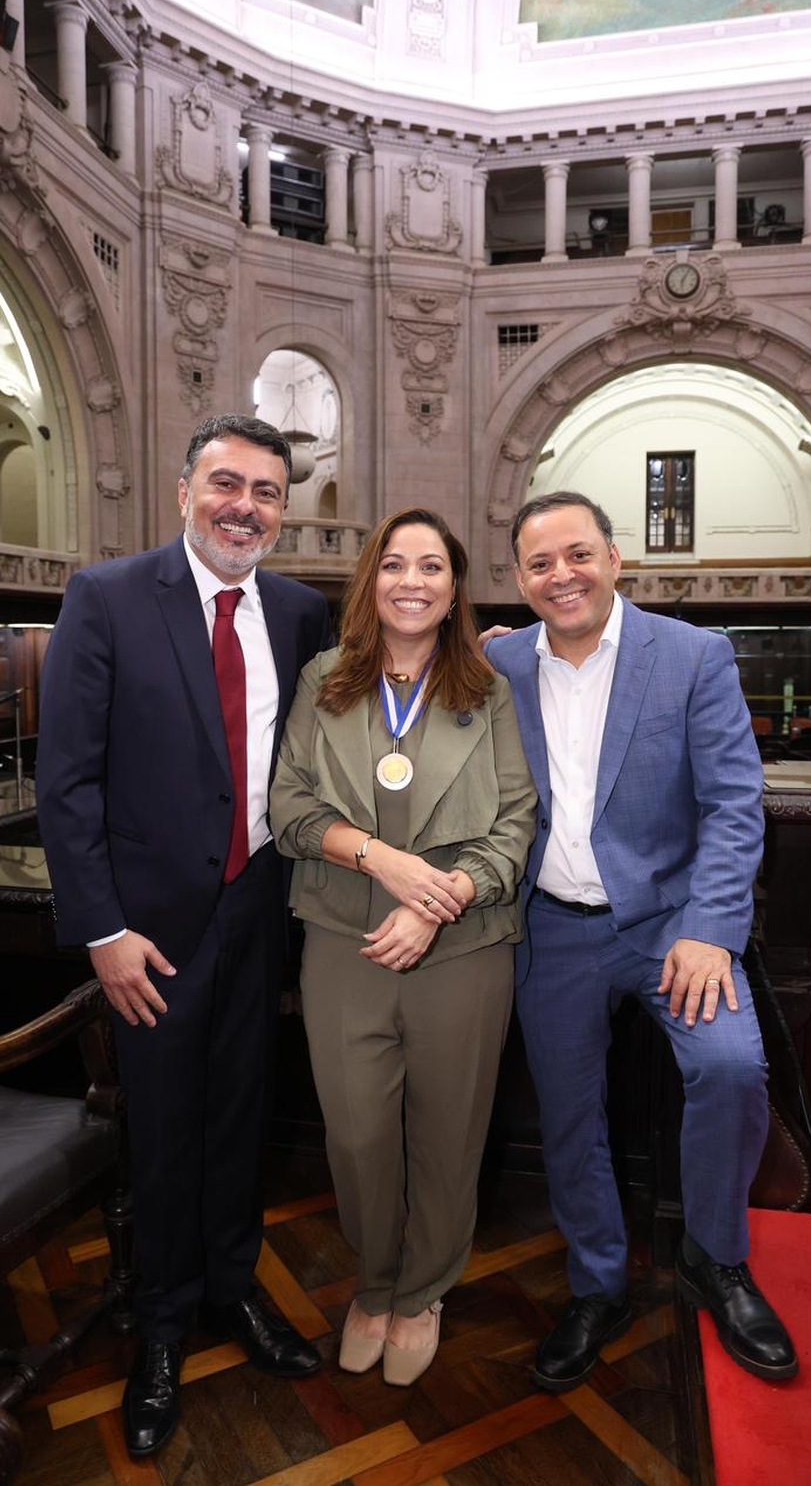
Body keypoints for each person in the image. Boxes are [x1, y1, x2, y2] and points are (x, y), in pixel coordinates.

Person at [35, 414, 332, 1457]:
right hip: (147, 933)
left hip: (262, 915)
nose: (243, 504)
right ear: (183, 490)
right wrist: (102, 928)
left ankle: (232, 1293)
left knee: (243, 1119)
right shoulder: (107, 597)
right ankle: (158, 1331)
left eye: (264, 490)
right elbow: (64, 780)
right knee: (162, 1134)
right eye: (225, 483)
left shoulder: (301, 612)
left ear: (284, 509)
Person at [486, 489, 797, 1391]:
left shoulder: (693, 654)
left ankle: (715, 1258)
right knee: (571, 1113)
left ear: (615, 559)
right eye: (541, 562)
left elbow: (734, 805)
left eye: (578, 554)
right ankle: (597, 1283)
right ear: (520, 579)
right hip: (550, 927)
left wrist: (710, 931)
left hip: (672, 927)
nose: (562, 574)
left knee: (732, 1067)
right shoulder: (501, 665)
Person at [269, 508, 536, 1386]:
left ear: (455, 586)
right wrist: (384, 861)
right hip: (344, 939)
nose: (411, 581)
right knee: (355, 1134)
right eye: (394, 565)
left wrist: (443, 896)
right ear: (370, 581)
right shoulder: (324, 680)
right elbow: (291, 808)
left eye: (431, 566)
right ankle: (372, 1280)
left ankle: (420, 1292)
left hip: (464, 945)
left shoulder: (489, 687)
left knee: (451, 1132)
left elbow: (514, 820)